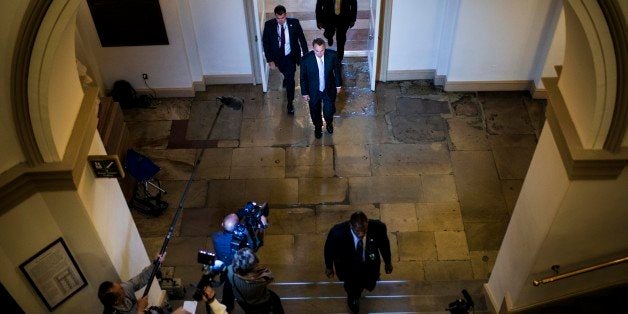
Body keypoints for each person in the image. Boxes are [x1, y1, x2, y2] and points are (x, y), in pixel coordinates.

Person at [324, 211, 393, 313]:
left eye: (364, 230)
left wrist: (388, 262)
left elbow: (384, 245)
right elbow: (329, 250)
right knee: (352, 287)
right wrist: (329, 267)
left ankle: (363, 287)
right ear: (351, 226)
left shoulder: (378, 227)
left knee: (369, 282)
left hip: (369, 266)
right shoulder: (337, 232)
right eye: (357, 231)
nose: (361, 234)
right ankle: (353, 298)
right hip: (348, 267)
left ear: (367, 224)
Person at [262, 5, 308, 115]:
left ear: (285, 15)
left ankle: (290, 103)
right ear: (275, 16)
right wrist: (270, 60)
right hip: (278, 57)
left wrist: (306, 56)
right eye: (278, 18)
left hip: (290, 56)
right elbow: (266, 44)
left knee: (290, 79)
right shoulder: (269, 25)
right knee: (285, 73)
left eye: (282, 18)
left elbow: (302, 39)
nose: (280, 20)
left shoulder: (294, 23)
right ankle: (286, 78)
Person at [300, 38, 342, 139]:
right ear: (313, 49)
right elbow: (303, 77)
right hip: (313, 90)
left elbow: (337, 71)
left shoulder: (332, 56)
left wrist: (338, 85)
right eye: (317, 51)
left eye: (322, 50)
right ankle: (318, 127)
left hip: (328, 88)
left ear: (325, 48)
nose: (319, 53)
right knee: (315, 111)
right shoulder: (306, 59)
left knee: (329, 110)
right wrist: (304, 93)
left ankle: (329, 123)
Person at [98, 254, 166, 314]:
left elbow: (141, 278)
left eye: (120, 286)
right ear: (117, 301)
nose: (123, 288)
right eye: (121, 290)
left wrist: (155, 264)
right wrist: (140, 310)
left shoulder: (125, 287)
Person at [227, 248, 284, 313]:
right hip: (260, 303)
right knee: (275, 299)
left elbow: (231, 266)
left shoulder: (230, 272)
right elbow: (269, 275)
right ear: (251, 269)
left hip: (242, 301)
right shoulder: (260, 282)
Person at [211, 213, 240, 313]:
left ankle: (228, 306)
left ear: (222, 224)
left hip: (224, 267)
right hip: (236, 270)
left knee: (227, 286)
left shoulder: (216, 237)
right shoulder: (240, 242)